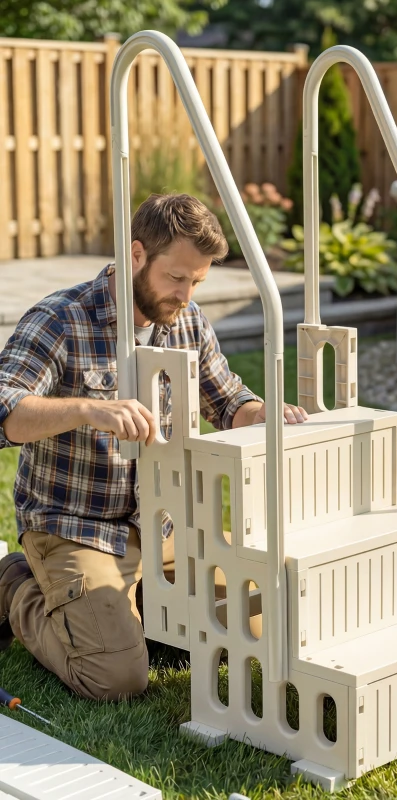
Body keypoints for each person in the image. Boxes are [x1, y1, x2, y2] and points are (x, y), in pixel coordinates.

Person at [0, 193, 308, 701]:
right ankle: (15, 585)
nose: (186, 295)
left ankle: (129, 606)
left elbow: (227, 400)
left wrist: (263, 412)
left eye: (197, 281)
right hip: (76, 527)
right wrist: (86, 408)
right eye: (177, 278)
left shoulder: (186, 320)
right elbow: (7, 410)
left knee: (244, 625)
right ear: (137, 254)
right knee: (116, 679)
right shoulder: (60, 319)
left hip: (160, 524)